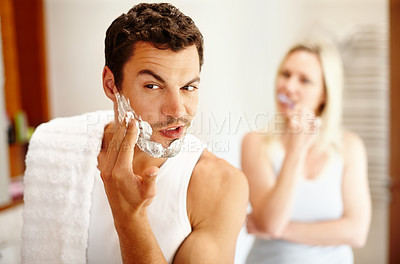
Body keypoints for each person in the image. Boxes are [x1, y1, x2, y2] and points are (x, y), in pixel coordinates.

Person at [21, 3, 248, 264]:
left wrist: (129, 215)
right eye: (153, 85)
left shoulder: (220, 186)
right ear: (111, 84)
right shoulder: (57, 147)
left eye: (188, 87)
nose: (177, 110)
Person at [241, 39, 371, 264]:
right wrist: (295, 150)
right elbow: (272, 222)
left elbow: (357, 232)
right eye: (285, 74)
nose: (289, 86)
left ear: (324, 94)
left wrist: (283, 230)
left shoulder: (350, 147)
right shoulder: (255, 142)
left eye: (304, 80)